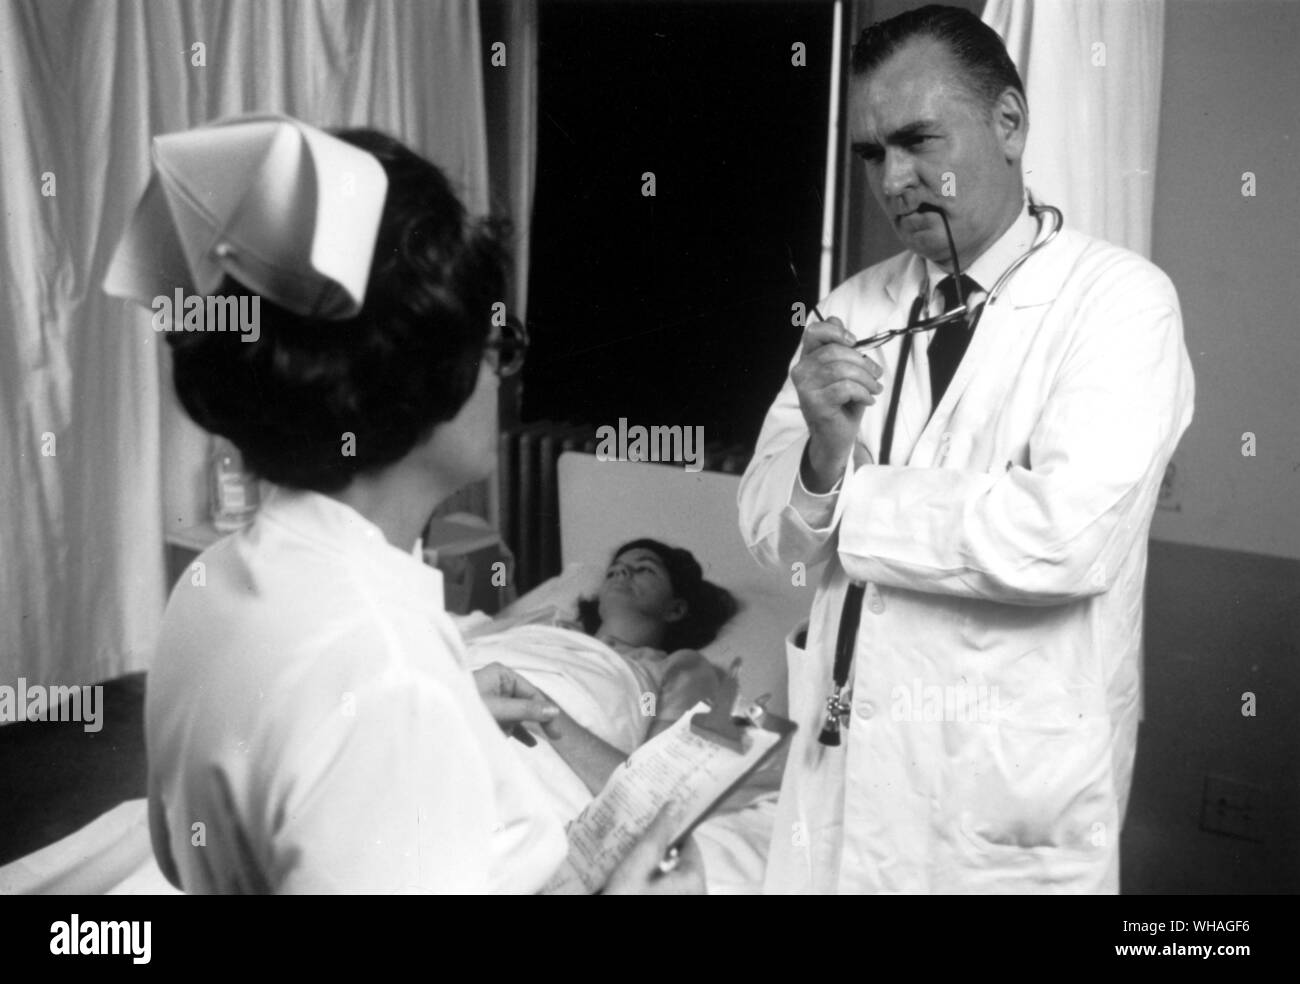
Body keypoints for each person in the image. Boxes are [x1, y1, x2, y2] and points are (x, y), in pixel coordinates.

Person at [131, 116, 703, 894]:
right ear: (423, 368)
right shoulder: (388, 675)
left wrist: (448, 724)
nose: (503, 376)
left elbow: (188, 850)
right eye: (494, 344)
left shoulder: (209, 585)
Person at [738, 5, 1194, 894]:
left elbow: (1064, 537)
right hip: (844, 781)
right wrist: (822, 462)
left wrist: (854, 501)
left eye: (917, 140)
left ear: (1010, 123)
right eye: (873, 153)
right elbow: (771, 535)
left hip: (999, 816)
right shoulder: (855, 306)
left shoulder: (1120, 301)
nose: (895, 179)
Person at [464, 539, 738, 802]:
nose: (621, 571)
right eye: (614, 569)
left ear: (675, 609)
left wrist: (536, 709)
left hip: (515, 747)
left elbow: (651, 791)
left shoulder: (677, 668)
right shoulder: (548, 622)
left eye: (645, 568)